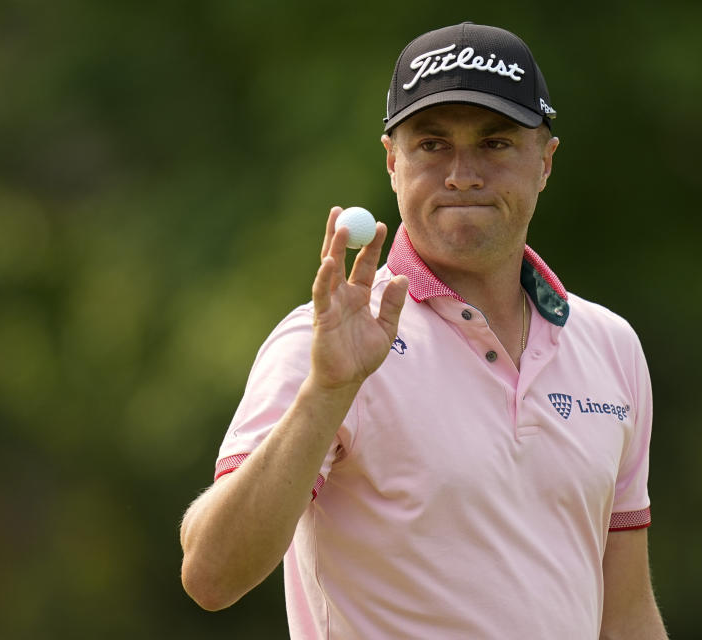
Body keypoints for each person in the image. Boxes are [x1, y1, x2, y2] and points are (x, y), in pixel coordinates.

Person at [180, 22, 668, 639]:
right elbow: (211, 575)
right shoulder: (326, 343)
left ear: (545, 162)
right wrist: (328, 391)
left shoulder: (610, 347)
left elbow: (624, 616)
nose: (463, 174)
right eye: (432, 145)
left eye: (496, 143)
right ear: (392, 162)